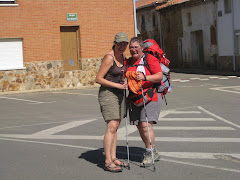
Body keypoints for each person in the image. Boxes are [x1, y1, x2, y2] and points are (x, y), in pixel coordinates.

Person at [126, 37, 163, 167]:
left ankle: (149, 153)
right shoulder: (129, 61)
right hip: (135, 98)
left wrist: (145, 77)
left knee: (145, 125)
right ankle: (152, 149)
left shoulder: (149, 59)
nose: (133, 49)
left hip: (151, 96)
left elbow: (159, 76)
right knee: (139, 125)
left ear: (142, 47)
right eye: (131, 47)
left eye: (136, 47)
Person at [95, 32, 129, 172]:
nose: (122, 46)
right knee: (112, 126)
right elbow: (98, 79)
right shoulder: (109, 57)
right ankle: (108, 161)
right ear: (114, 42)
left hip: (119, 93)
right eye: (120, 43)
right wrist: (117, 85)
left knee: (116, 126)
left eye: (124, 43)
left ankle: (114, 157)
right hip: (108, 93)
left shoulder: (122, 56)